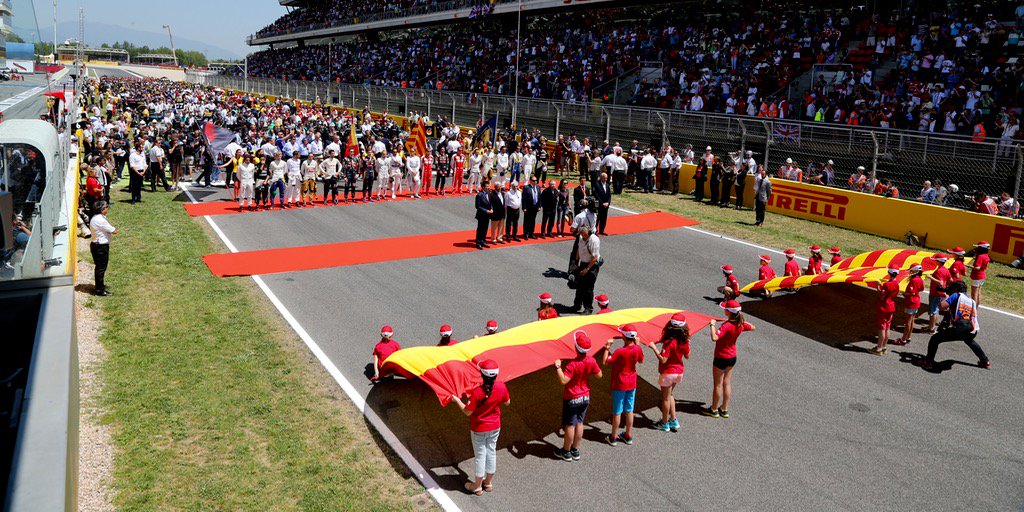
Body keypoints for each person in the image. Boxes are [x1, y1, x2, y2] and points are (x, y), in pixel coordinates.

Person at [451, 359, 510, 495]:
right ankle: (488, 482)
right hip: (495, 426)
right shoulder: (501, 386)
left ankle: (477, 485)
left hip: (479, 428)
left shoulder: (477, 392)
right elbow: (507, 402)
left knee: (480, 455)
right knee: (491, 452)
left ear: (482, 375)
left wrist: (457, 401)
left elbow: (467, 411)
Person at [919, 280, 990, 370]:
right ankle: (985, 361)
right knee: (969, 340)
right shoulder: (971, 300)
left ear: (956, 289)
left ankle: (928, 362)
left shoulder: (956, 295)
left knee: (935, 339)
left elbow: (941, 306)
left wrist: (946, 297)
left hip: (960, 328)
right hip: (972, 329)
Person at [554, 332, 602, 461]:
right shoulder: (591, 360)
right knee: (580, 423)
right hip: (585, 396)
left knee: (570, 425)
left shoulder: (572, 365)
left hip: (572, 398)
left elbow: (564, 380)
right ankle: (575, 449)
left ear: (576, 347)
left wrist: (558, 367)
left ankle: (566, 451)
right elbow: (599, 375)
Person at [703, 300, 755, 418]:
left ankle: (714, 409)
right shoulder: (740, 324)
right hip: (732, 357)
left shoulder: (727, 326)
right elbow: (752, 327)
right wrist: (741, 320)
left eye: (725, 309)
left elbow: (714, 337)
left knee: (718, 384)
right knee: (727, 383)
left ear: (728, 312)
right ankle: (724, 408)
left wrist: (712, 325)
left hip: (721, 357)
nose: (724, 310)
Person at [602, 324, 644, 445]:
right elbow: (641, 360)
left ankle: (613, 437)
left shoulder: (619, 352)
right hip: (632, 382)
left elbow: (605, 362)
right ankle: (628, 435)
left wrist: (607, 348)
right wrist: (638, 345)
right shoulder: (637, 348)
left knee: (617, 411)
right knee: (629, 410)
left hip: (620, 383)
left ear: (624, 337)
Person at [649, 312, 690, 431]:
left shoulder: (669, 343)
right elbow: (687, 356)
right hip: (679, 372)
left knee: (665, 398)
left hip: (668, 372)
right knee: (670, 395)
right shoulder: (684, 341)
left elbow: (663, 359)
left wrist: (654, 348)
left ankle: (664, 422)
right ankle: (673, 419)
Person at [869, 266, 901, 356]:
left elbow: (882, 296)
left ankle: (879, 348)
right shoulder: (896, 284)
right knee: (887, 327)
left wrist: (878, 287)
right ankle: (884, 346)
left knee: (881, 328)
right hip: (891, 307)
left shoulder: (887, 284)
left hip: (883, 307)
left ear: (889, 272)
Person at [89, 201, 117, 296]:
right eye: (106, 207)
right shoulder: (101, 220)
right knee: (101, 268)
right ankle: (99, 290)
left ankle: (100, 285)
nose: (107, 208)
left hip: (96, 245)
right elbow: (114, 231)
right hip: (101, 247)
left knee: (100, 268)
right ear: (101, 209)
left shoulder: (95, 218)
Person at [572, 224, 601, 315]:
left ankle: (588, 308)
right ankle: (577, 305)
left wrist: (587, 269)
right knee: (579, 285)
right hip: (583, 263)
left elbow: (595, 257)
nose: (582, 236)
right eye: (581, 233)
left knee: (588, 287)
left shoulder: (594, 240)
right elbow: (578, 250)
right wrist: (576, 262)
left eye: (584, 234)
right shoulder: (581, 237)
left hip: (591, 266)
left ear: (588, 232)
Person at [893, 264, 925, 346]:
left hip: (911, 302)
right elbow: (921, 289)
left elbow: (912, 292)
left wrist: (903, 293)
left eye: (912, 270)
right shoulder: (920, 279)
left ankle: (903, 339)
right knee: (912, 320)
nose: (910, 272)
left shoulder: (914, 280)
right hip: (916, 301)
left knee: (908, 321)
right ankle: (908, 338)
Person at [925, 253, 953, 334]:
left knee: (933, 311)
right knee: (936, 310)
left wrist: (930, 277)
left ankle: (931, 329)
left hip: (935, 293)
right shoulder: (946, 269)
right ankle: (932, 326)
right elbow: (950, 280)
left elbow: (940, 282)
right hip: (941, 293)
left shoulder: (938, 271)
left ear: (938, 262)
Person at [968, 241, 990, 305]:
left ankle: (973, 309)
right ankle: (976, 308)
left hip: (977, 276)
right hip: (982, 276)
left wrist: (968, 266)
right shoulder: (986, 256)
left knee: (974, 293)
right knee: (978, 293)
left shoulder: (980, 256)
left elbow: (977, 267)